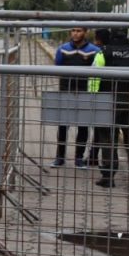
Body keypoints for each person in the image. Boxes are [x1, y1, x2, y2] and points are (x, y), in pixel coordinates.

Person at [88, 28, 129, 188]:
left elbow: (94, 77)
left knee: (108, 138)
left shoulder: (104, 53)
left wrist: (92, 97)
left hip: (109, 100)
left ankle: (108, 177)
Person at [50, 27, 100, 168]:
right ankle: (59, 157)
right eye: (73, 30)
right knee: (63, 126)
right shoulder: (62, 49)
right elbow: (57, 67)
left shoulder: (94, 50)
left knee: (83, 126)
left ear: (85, 32)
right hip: (66, 92)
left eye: (79, 30)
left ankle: (79, 158)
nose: (75, 33)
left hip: (85, 93)